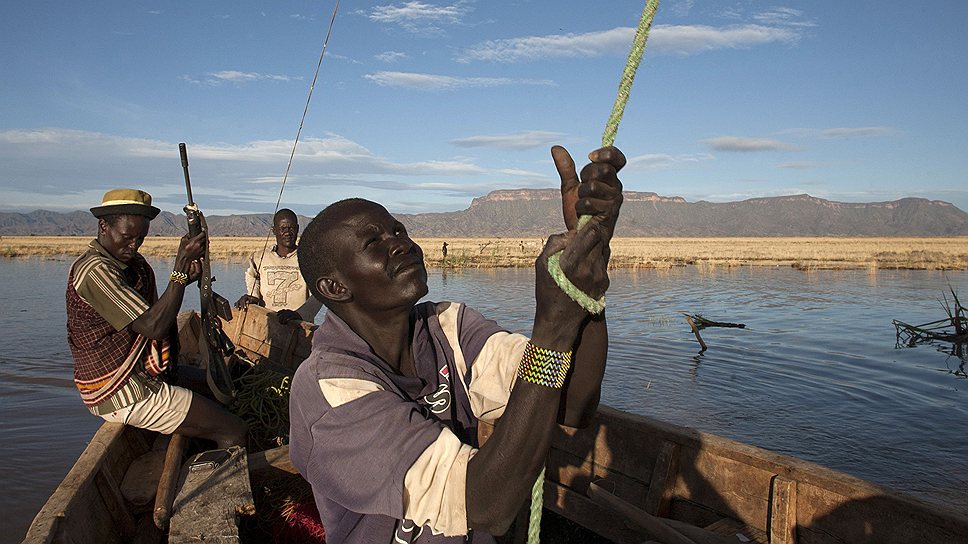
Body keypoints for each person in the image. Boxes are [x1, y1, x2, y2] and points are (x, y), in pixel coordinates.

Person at [289, 145, 625, 543]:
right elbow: (486, 506)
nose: (401, 243)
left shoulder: (446, 325)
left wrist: (590, 264)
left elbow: (573, 402)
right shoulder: (328, 390)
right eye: (373, 242)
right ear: (334, 287)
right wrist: (551, 329)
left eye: (398, 230)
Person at [67, 188, 246, 448]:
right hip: (120, 389)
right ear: (103, 226)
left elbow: (154, 313)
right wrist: (179, 270)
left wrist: (184, 279)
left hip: (142, 371)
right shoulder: (95, 271)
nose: (134, 246)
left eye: (140, 239)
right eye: (127, 237)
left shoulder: (132, 264)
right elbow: (154, 326)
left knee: (224, 390)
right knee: (234, 430)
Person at [235, 208, 322, 323]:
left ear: (297, 229)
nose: (287, 232)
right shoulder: (260, 257)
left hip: (300, 329)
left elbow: (319, 294)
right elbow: (253, 277)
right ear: (274, 230)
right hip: (266, 326)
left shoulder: (309, 259)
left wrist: (300, 315)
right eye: (282, 228)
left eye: (291, 228)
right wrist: (253, 297)